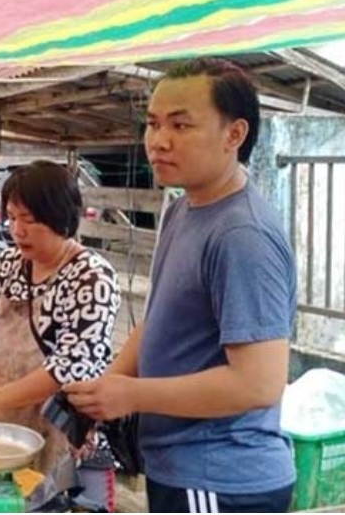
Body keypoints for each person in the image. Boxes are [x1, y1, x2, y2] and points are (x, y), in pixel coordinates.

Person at [65, 58, 297, 513]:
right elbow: (158, 322)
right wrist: (106, 388)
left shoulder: (241, 235)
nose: (158, 141)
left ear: (234, 135)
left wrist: (131, 394)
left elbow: (258, 384)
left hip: (222, 479)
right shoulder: (182, 209)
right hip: (180, 468)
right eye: (152, 124)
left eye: (180, 125)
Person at [0, 160, 121, 472]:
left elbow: (69, 367)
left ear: (60, 218)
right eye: (11, 218)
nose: (16, 230)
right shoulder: (8, 265)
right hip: (3, 426)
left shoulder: (92, 277)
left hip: (58, 430)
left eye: (28, 219)